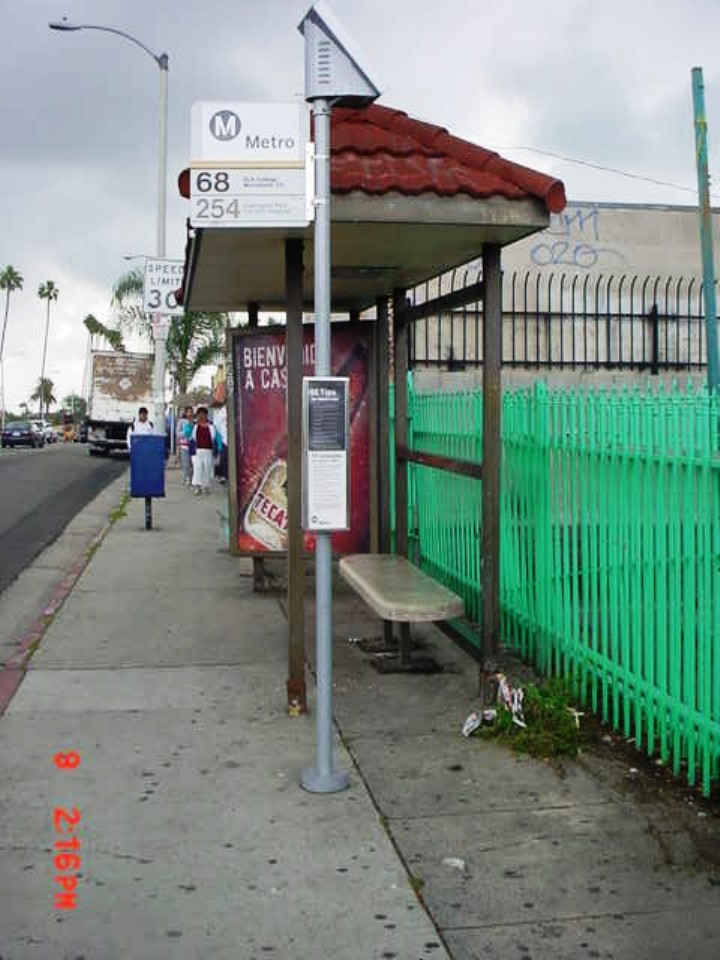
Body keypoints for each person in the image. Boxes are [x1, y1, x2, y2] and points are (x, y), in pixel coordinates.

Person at [190, 406, 216, 495]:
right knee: (197, 468)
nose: (201, 417)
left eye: (203, 415)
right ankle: (197, 487)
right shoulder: (195, 426)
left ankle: (206, 486)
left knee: (207, 468)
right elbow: (192, 438)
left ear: (206, 415)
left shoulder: (211, 426)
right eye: (199, 415)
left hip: (208, 450)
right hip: (197, 451)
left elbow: (213, 438)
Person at [176, 406, 194, 485]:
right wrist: (184, 433)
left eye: (191, 411)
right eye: (188, 411)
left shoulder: (195, 421)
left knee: (193, 463)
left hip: (193, 444)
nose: (190, 413)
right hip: (184, 445)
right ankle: (187, 478)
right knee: (186, 463)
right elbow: (177, 433)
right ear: (186, 413)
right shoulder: (181, 421)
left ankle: (192, 478)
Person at [213, 402, 228, 484]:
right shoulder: (222, 411)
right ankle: (223, 475)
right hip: (225, 439)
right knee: (223, 458)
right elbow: (217, 424)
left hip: (227, 438)